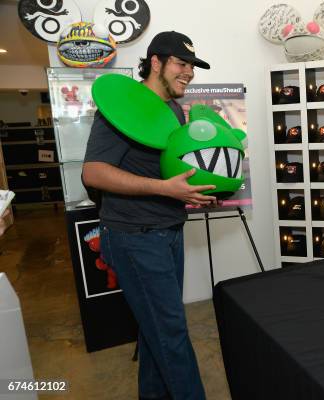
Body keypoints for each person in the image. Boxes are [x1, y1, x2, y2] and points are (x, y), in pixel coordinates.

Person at [83, 31, 215, 400]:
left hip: (167, 229)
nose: (188, 72)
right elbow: (93, 173)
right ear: (155, 61)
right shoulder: (123, 105)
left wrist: (201, 190)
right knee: (171, 333)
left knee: (155, 330)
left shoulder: (172, 109)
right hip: (134, 236)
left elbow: (167, 170)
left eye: (192, 66)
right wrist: (165, 190)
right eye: (181, 63)